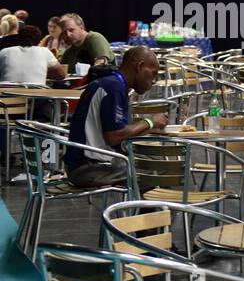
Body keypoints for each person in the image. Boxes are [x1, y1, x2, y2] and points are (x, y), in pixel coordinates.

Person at [64, 46, 166, 188]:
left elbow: (113, 130)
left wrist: (148, 129)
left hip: (92, 163)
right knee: (153, 172)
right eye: (153, 74)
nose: (153, 80)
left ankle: (148, 209)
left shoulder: (114, 83)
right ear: (140, 66)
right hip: (87, 168)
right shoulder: (113, 87)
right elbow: (114, 136)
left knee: (155, 164)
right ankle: (155, 210)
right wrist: (149, 122)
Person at [0, 25, 66, 85]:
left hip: (7, 95)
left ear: (18, 37)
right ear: (39, 40)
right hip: (36, 95)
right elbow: (61, 75)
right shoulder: (45, 52)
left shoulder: (4, 52)